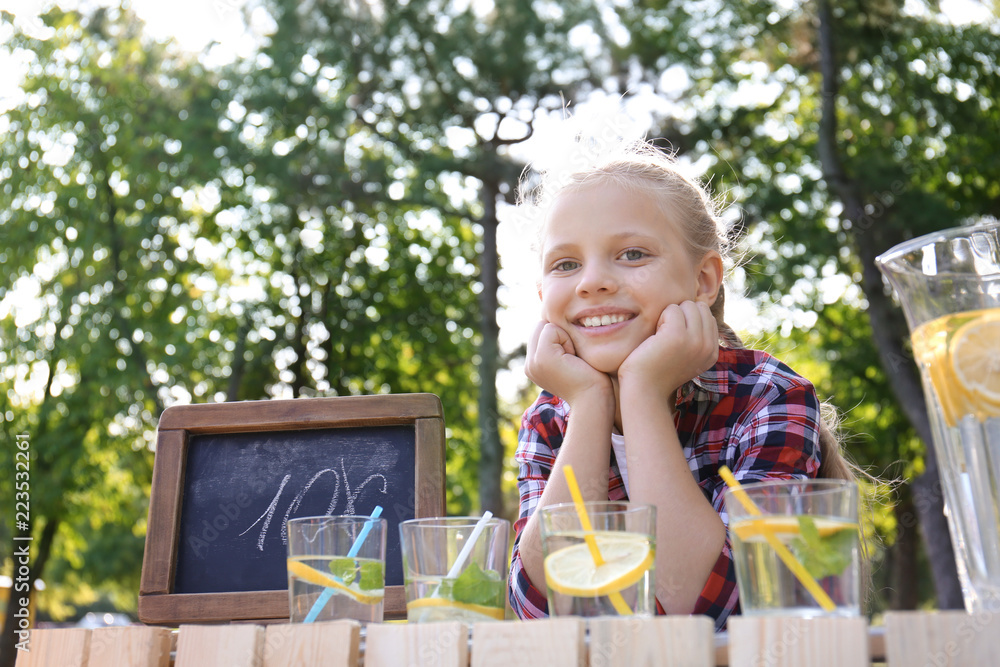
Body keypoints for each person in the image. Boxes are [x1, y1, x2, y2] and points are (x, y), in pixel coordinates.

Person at [506, 136, 856, 630]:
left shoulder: (767, 395)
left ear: (704, 281)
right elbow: (541, 612)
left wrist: (643, 394)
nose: (591, 282)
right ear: (544, 296)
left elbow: (714, 611)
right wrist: (588, 407)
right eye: (566, 264)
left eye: (631, 254)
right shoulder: (550, 419)